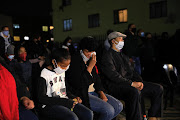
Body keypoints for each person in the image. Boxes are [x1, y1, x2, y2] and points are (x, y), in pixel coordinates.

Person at [100, 31, 163, 120]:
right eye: (120, 39)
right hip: (116, 86)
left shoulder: (123, 55)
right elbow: (113, 75)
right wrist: (131, 83)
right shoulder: (107, 56)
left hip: (128, 83)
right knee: (134, 91)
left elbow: (132, 72)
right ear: (113, 41)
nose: (122, 41)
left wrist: (139, 82)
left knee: (158, 88)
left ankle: (153, 116)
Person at [66, 36, 123, 120]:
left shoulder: (92, 59)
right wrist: (90, 67)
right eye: (87, 51)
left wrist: (101, 92)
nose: (90, 54)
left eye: (92, 51)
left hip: (94, 91)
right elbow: (79, 84)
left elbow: (97, 79)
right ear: (81, 50)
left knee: (118, 106)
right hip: (83, 93)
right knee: (108, 110)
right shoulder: (75, 61)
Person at [37, 48, 93, 120]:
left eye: (67, 65)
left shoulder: (62, 71)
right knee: (72, 118)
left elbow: (64, 89)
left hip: (65, 101)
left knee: (88, 113)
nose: (65, 68)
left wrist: (73, 97)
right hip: (49, 105)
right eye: (63, 66)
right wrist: (65, 102)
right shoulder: (44, 74)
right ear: (54, 62)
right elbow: (42, 98)